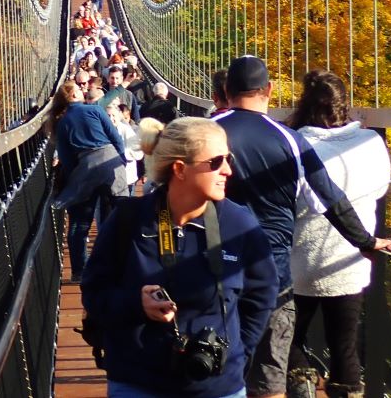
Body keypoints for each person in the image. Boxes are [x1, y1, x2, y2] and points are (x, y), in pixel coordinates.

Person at [214, 56, 391, 398]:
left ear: (225, 90)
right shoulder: (290, 140)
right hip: (273, 274)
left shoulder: (205, 132)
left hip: (213, 268)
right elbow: (329, 199)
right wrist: (366, 241)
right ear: (268, 90)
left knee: (212, 364)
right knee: (271, 374)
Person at [81, 117, 278, 398]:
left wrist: (235, 352)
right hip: (138, 381)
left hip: (215, 385)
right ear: (179, 169)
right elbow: (94, 292)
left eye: (228, 159)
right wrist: (136, 304)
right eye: (215, 162)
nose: (228, 170)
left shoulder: (240, 225)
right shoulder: (128, 220)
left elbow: (262, 295)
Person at [284, 71, 391, 398]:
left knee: (288, 336)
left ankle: (302, 382)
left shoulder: (295, 142)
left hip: (300, 261)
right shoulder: (372, 142)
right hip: (349, 261)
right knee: (345, 347)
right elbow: (380, 189)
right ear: (345, 104)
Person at [53, 81, 128, 283]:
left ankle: (79, 271)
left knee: (79, 223)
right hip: (111, 162)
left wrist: (74, 179)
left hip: (85, 168)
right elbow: (115, 137)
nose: (82, 90)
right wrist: (121, 160)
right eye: (78, 89)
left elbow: (67, 158)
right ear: (75, 95)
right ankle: (121, 265)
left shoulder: (62, 122)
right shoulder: (94, 110)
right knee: (122, 216)